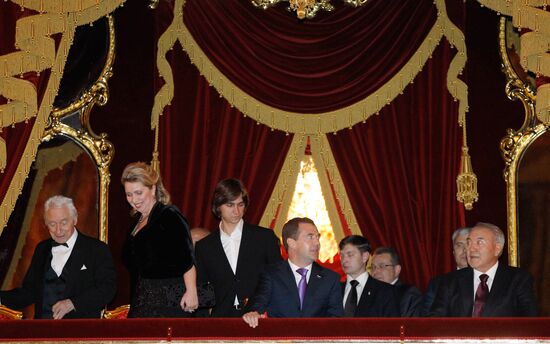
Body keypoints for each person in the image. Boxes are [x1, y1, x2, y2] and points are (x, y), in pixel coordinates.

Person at [0, 195, 116, 319]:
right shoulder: (42, 249)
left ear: (75, 219)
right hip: (42, 331)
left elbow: (108, 289)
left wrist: (73, 303)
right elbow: (30, 292)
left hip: (81, 332)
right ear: (46, 224)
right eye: (52, 224)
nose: (58, 230)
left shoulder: (96, 249)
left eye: (64, 223)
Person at [195, 178, 282, 317]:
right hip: (220, 321)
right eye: (230, 205)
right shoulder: (204, 246)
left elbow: (278, 279)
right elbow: (202, 291)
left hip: (258, 318)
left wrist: (262, 310)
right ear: (218, 207)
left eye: (240, 205)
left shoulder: (264, 237)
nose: (236, 211)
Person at [121, 162, 198, 317]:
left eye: (138, 193)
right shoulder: (136, 224)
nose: (133, 199)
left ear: (153, 189)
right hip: (141, 303)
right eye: (129, 194)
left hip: (169, 303)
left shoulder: (168, 215)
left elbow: (187, 259)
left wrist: (191, 291)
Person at [242, 217, 343, 328]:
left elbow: (336, 321)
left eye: (317, 237)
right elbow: (258, 303)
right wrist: (253, 313)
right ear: (291, 243)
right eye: (310, 237)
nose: (317, 243)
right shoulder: (271, 274)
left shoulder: (330, 278)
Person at [429, 222, 538, 317]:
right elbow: (435, 323)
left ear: (497, 248)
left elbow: (529, 323)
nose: (471, 248)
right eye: (469, 242)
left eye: (479, 242)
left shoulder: (519, 279)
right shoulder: (450, 282)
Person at [339, 235, 400, 317]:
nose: (344, 260)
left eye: (350, 255)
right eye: (342, 255)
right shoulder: (334, 290)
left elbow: (391, 327)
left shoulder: (385, 291)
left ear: (365, 257)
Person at [422, 227, 470, 314]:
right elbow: (428, 320)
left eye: (468, 244)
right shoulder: (437, 284)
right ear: (453, 252)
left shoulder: (484, 280)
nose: (464, 251)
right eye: (459, 245)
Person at [371, 247, 422, 317]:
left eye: (382, 266)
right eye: (373, 267)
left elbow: (408, 326)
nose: (375, 272)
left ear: (397, 270)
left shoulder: (409, 294)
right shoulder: (368, 294)